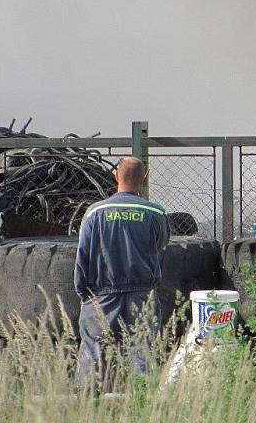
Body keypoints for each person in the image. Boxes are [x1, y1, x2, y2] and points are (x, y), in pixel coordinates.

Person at [74, 156, 170, 387]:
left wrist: (84, 295)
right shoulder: (156, 213)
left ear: (115, 174)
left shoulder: (94, 213)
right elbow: (161, 245)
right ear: (144, 178)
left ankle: (90, 406)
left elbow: (82, 257)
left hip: (101, 297)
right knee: (143, 355)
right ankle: (141, 405)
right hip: (142, 295)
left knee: (94, 356)